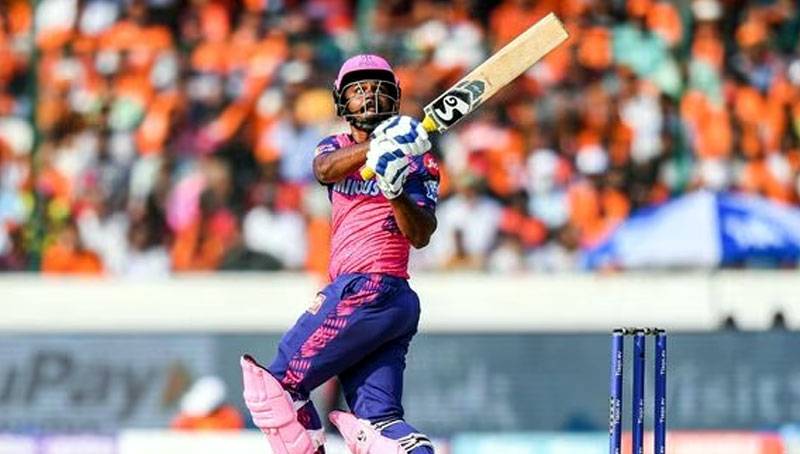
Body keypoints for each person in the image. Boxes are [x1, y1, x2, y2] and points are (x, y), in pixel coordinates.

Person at [240, 54, 439, 454]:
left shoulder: (419, 159)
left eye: (378, 88)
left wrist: (395, 190)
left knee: (276, 388)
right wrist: (378, 148)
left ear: (395, 97)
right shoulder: (336, 146)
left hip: (369, 287)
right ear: (341, 100)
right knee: (380, 422)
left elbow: (420, 235)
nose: (369, 96)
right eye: (359, 89)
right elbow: (324, 170)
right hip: (383, 302)